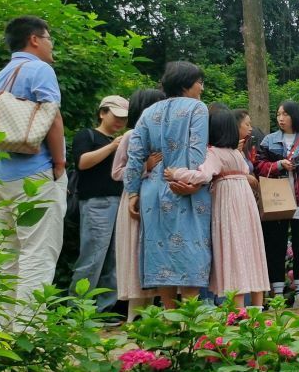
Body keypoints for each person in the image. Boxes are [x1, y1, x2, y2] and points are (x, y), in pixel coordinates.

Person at [0, 16, 68, 331]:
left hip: (0, 174)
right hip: (34, 172)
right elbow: (51, 118)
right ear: (34, 39)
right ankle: (30, 332)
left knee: (7, 250)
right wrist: (59, 163)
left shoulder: (2, 75)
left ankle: (5, 326)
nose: (50, 43)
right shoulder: (40, 69)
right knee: (38, 251)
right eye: (48, 37)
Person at [124, 62, 211, 308]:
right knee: (191, 250)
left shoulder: (148, 113)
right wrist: (192, 181)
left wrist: (132, 192)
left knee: (160, 254)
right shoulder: (197, 108)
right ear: (186, 84)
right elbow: (196, 150)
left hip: (151, 190)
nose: (201, 88)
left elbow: (135, 156)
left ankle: (169, 318)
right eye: (199, 82)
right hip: (183, 187)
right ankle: (190, 323)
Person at [165, 104, 269, 308]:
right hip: (245, 201)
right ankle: (257, 306)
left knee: (232, 248)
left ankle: (238, 310)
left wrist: (176, 173)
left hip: (228, 201)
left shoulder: (213, 152)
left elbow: (203, 176)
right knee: (251, 248)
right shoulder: (236, 153)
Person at [70, 94, 129, 313]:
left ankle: (104, 309)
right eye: (116, 116)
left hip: (119, 201)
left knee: (114, 258)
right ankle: (77, 309)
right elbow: (82, 163)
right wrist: (113, 146)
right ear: (102, 113)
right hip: (96, 203)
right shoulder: (88, 135)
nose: (120, 122)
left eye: (124, 119)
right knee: (92, 257)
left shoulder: (121, 141)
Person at [255, 100, 299, 305]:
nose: (281, 118)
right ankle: (278, 293)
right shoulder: (269, 140)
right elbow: (259, 166)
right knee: (276, 245)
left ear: (294, 116)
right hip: (277, 200)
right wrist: (279, 164)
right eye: (279, 114)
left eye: (285, 114)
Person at [112, 88, 165, 322]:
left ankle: (150, 319)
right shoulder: (130, 136)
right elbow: (117, 172)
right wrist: (146, 166)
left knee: (153, 256)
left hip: (156, 201)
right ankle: (134, 320)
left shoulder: (163, 136)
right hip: (135, 200)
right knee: (135, 255)